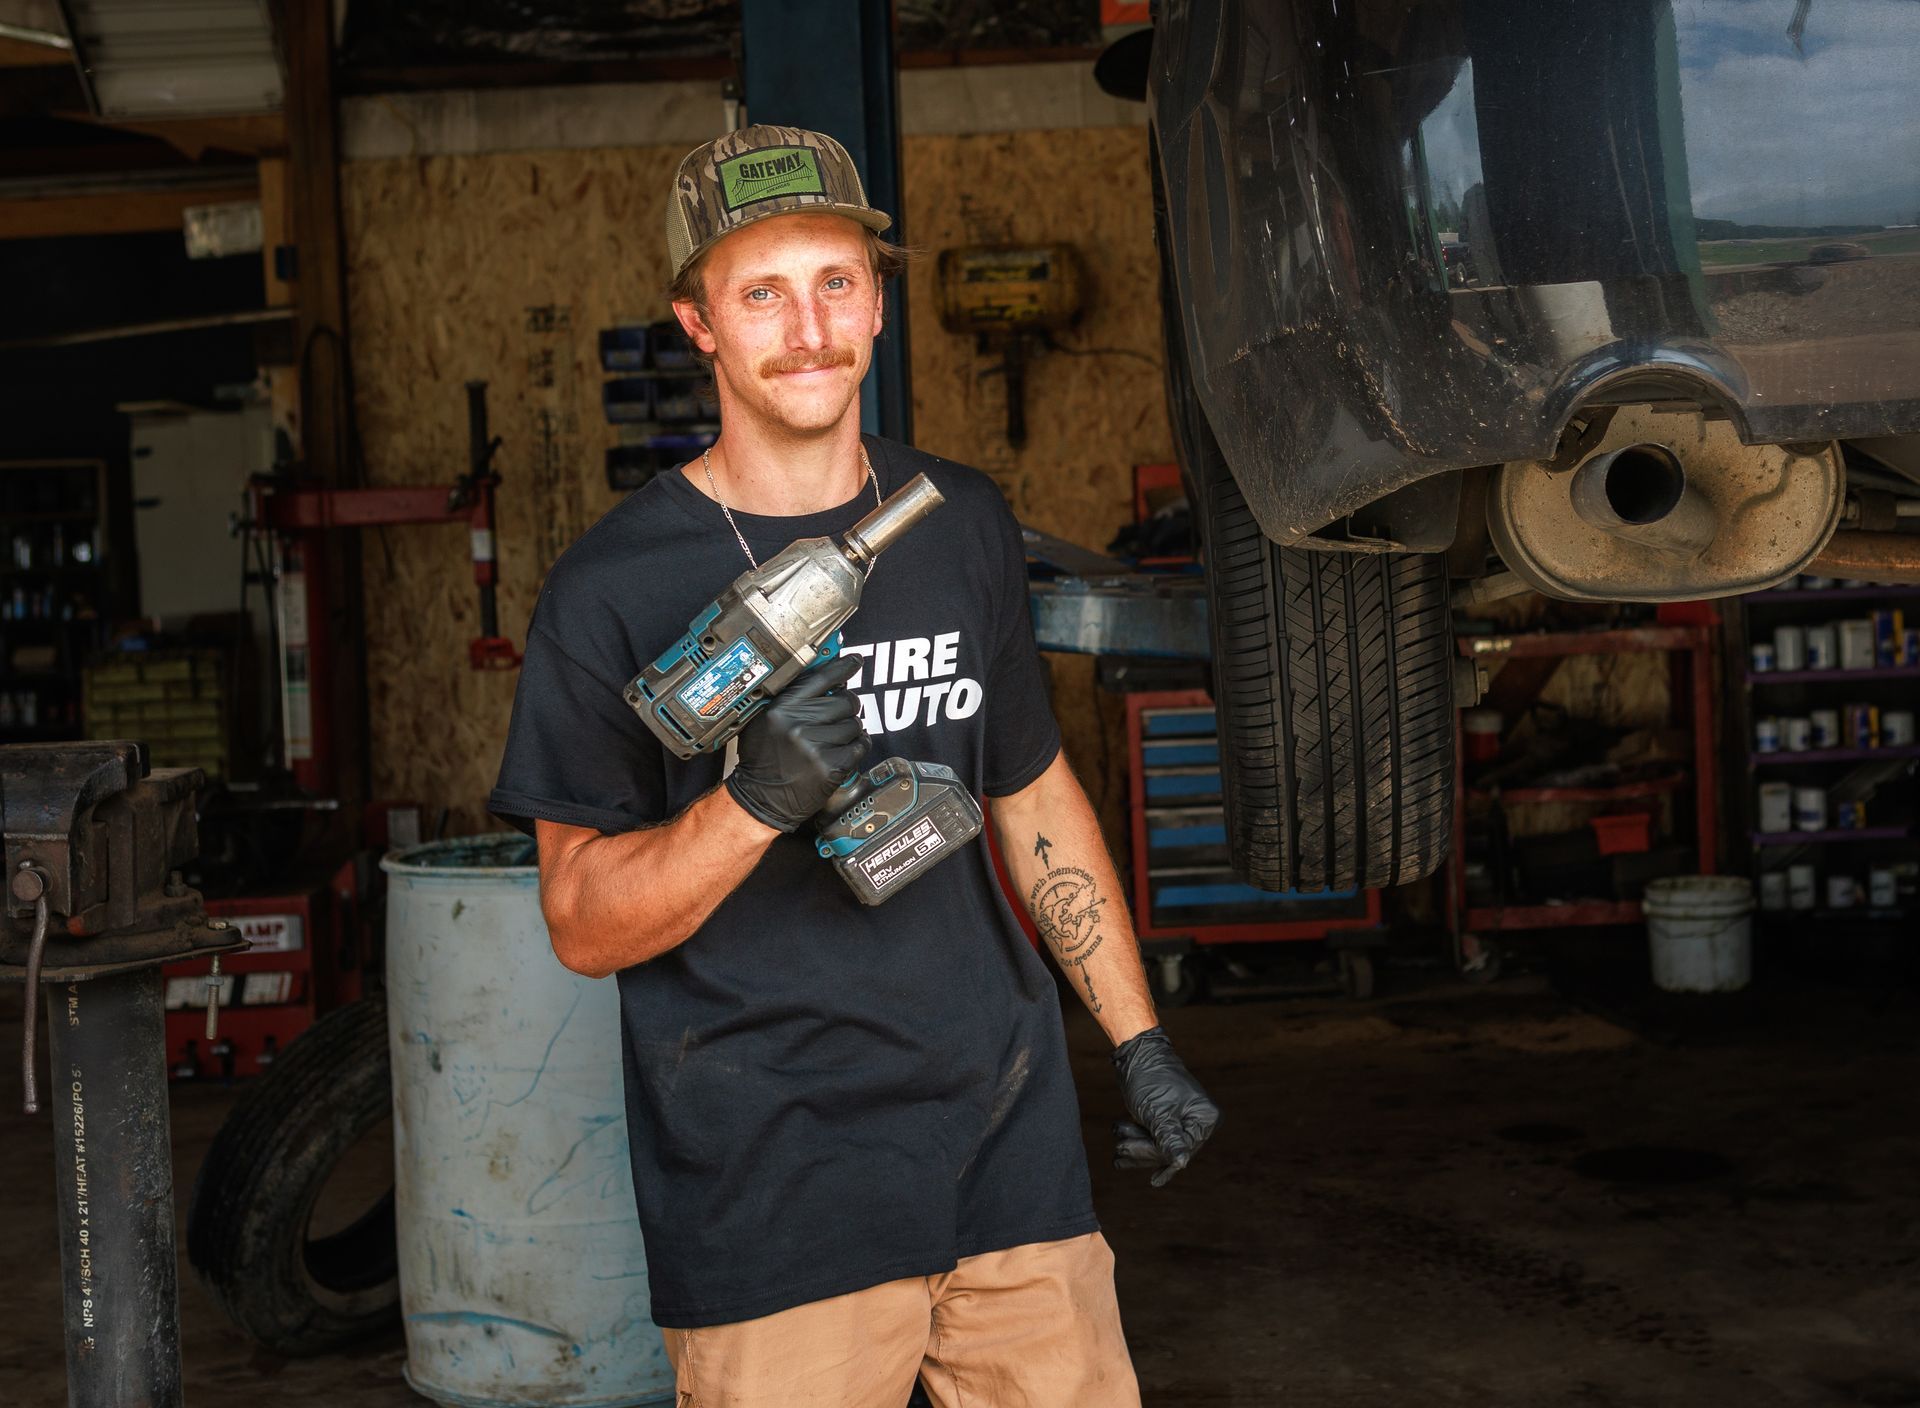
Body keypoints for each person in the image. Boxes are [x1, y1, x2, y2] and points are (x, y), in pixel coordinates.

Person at [490, 124, 1219, 1408]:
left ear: (879, 299)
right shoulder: (610, 590)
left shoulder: (964, 522)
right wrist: (750, 802)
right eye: (761, 292)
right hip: (775, 1183)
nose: (809, 326)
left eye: (835, 281)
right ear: (696, 320)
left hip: (1009, 1149)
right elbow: (580, 923)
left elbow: (1031, 792)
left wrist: (1138, 1036)